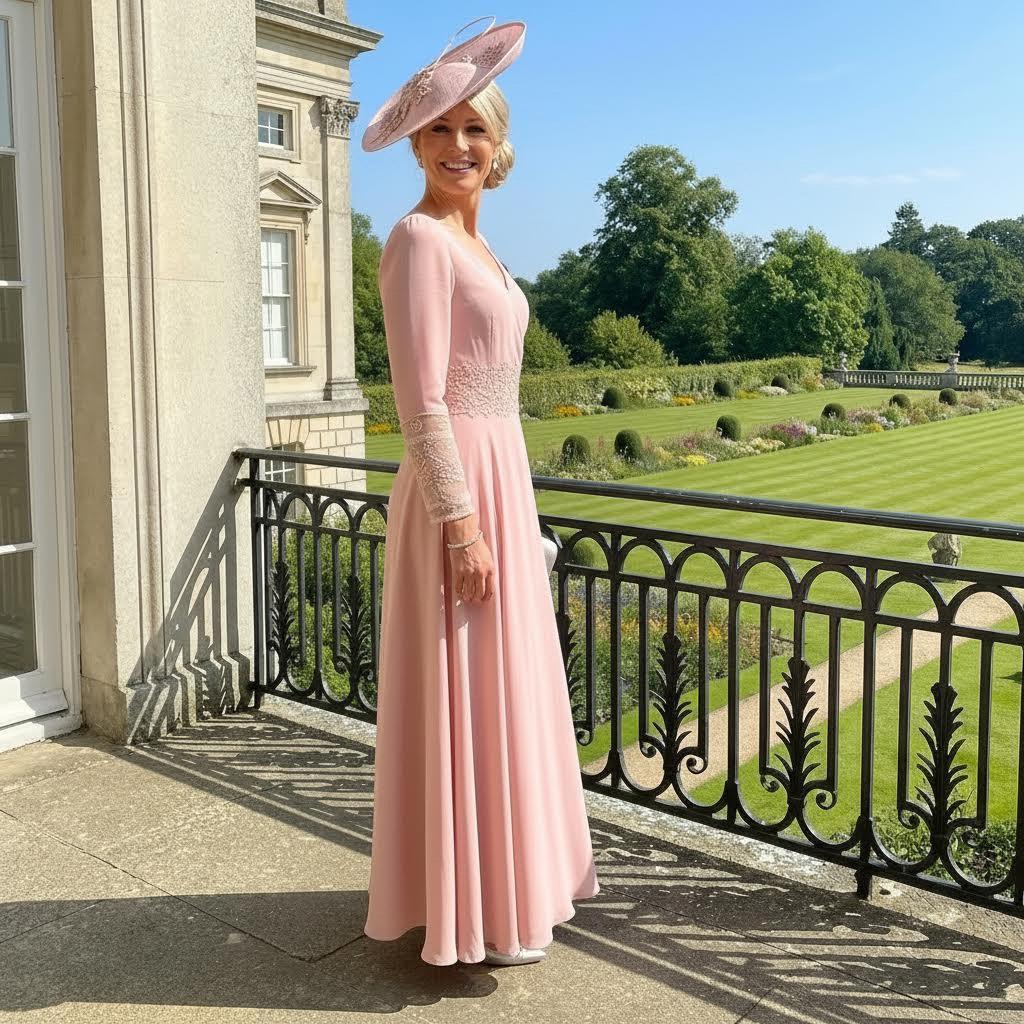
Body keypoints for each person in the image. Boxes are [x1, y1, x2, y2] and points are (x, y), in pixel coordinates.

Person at [359, 18, 601, 968]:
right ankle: (468, 909)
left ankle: (504, 896)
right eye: (441, 131)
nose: (459, 147)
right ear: (415, 146)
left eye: (476, 129)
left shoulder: (481, 247)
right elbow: (419, 399)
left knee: (506, 689)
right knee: (464, 687)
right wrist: (462, 524)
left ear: (498, 145)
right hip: (458, 489)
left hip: (502, 479)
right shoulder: (418, 239)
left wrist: (510, 514)